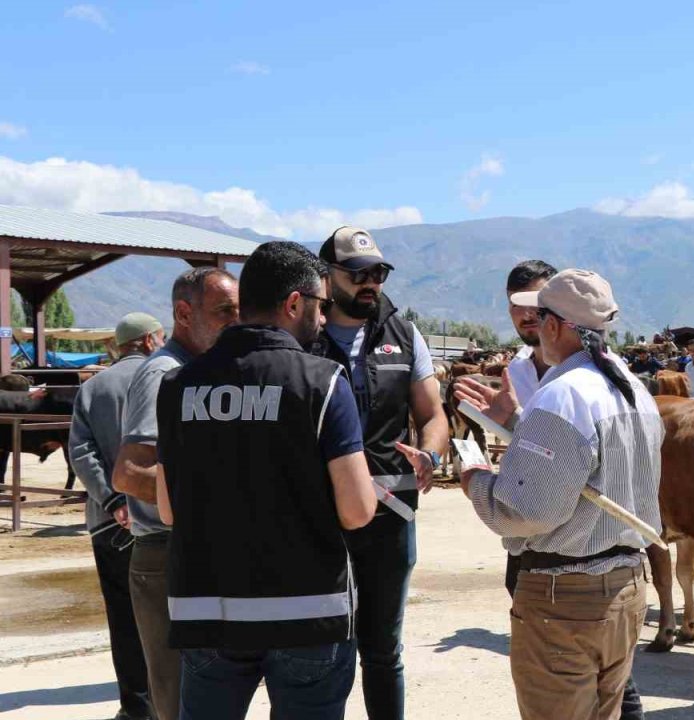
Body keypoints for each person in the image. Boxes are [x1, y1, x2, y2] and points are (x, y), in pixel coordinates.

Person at [155, 241, 376, 720]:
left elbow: (169, 510)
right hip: (307, 613)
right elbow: (357, 511)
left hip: (206, 610)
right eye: (321, 305)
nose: (323, 318)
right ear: (294, 303)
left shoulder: (177, 387)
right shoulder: (323, 382)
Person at [454, 269, 661, 720]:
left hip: (564, 598)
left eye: (539, 313)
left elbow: (525, 512)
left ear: (554, 325)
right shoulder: (634, 389)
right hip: (625, 586)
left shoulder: (563, 396)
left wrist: (474, 477)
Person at [311, 225, 449, 720]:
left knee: (383, 650)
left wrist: (430, 454)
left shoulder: (404, 334)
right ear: (327, 277)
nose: (371, 283)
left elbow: (433, 416)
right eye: (358, 274)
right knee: (322, 647)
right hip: (318, 518)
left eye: (379, 273)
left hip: (391, 516)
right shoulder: (301, 335)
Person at [113, 267, 239, 720]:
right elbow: (128, 473)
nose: (235, 321)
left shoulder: (198, 369)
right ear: (184, 314)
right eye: (224, 311)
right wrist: (211, 503)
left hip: (191, 550)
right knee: (176, 700)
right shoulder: (163, 374)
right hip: (164, 556)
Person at [69, 312, 165, 720]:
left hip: (109, 527)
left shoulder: (93, 388)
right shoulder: (167, 378)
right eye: (159, 338)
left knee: (123, 619)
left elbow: (81, 452)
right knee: (169, 618)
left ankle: (136, 707)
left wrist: (112, 502)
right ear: (146, 341)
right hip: (163, 522)